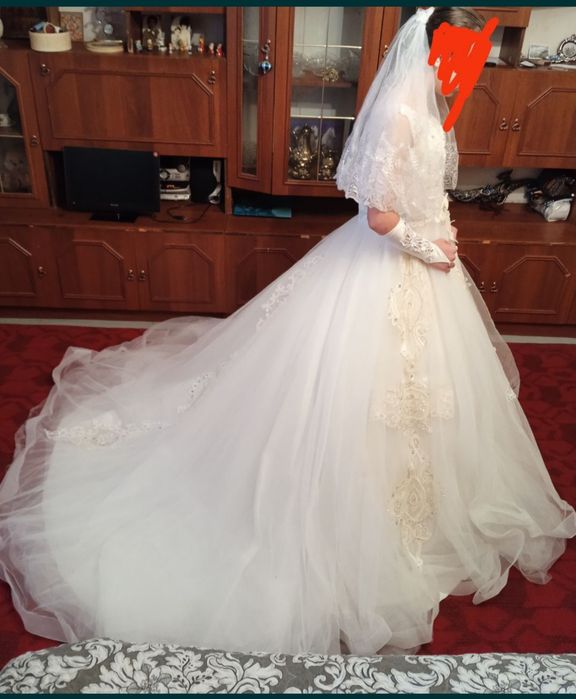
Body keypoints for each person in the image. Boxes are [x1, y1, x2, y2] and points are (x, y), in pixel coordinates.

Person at [0, 7, 574, 658]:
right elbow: (379, 216)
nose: (470, 64)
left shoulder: (432, 104)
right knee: (347, 394)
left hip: (428, 270)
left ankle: (431, 508)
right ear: (436, 44)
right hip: (389, 267)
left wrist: (444, 230)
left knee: (438, 397)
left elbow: (427, 191)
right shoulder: (396, 112)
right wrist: (429, 247)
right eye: (465, 50)